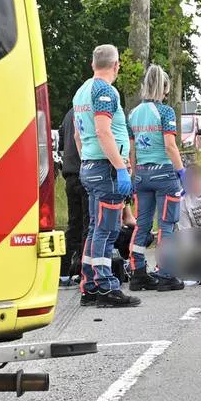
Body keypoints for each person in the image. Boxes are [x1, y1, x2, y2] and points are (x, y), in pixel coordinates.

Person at [72, 45, 140, 308]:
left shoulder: (81, 92)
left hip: (90, 165)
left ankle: (89, 285)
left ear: (92, 64)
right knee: (107, 230)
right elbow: (103, 131)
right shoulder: (105, 91)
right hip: (106, 169)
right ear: (116, 66)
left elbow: (79, 136)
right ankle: (106, 286)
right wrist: (120, 168)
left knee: (94, 229)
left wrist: (86, 160)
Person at [126, 66, 186, 292]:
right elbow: (170, 146)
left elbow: (131, 150)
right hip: (164, 174)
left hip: (141, 174)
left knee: (141, 225)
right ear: (164, 88)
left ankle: (138, 272)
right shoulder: (166, 112)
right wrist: (182, 173)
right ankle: (166, 273)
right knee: (166, 225)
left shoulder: (133, 113)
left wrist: (133, 176)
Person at [58, 106, 84, 285]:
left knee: (73, 224)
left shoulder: (68, 114)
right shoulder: (87, 111)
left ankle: (64, 271)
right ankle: (83, 270)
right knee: (88, 224)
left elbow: (60, 143)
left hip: (69, 174)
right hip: (85, 172)